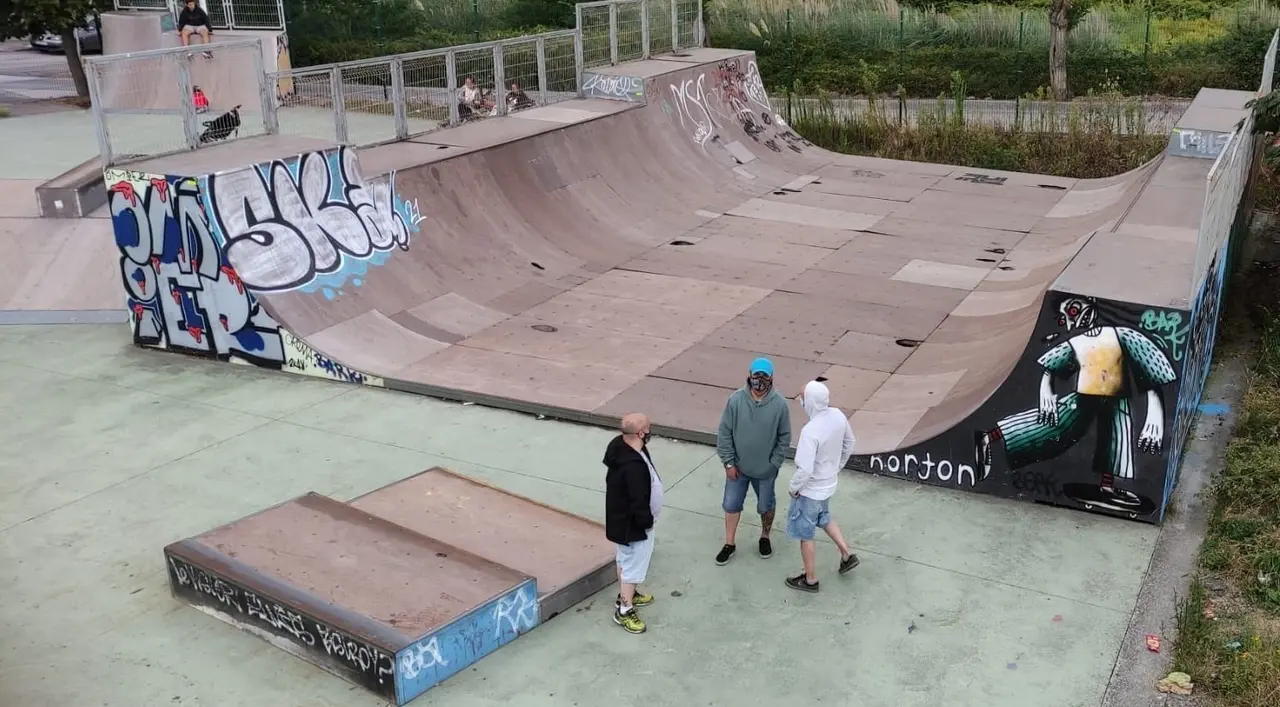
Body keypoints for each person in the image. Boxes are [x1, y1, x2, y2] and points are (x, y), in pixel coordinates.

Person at [714, 357, 790, 565]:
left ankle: (765, 537)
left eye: (764, 376)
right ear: (749, 375)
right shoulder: (736, 400)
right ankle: (729, 543)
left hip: (766, 471)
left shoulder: (780, 405)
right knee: (731, 504)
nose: (759, 380)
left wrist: (774, 463)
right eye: (756, 375)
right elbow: (724, 433)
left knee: (766, 505)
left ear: (771, 378)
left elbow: (784, 437)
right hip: (737, 469)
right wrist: (729, 463)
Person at [785, 379, 859, 592]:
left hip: (810, 490)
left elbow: (805, 469)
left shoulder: (810, 431)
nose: (800, 400)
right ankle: (846, 553)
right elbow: (850, 443)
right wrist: (836, 467)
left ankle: (810, 579)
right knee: (824, 517)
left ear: (810, 402)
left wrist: (794, 488)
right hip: (829, 484)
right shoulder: (837, 415)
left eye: (802, 396)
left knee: (805, 533)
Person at [604, 412, 664, 634]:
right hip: (634, 527)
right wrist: (646, 523)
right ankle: (625, 609)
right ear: (640, 433)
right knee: (633, 567)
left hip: (620, 522)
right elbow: (639, 501)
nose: (650, 431)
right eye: (647, 428)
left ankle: (626, 593)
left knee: (624, 560)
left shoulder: (622, 448)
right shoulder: (632, 468)